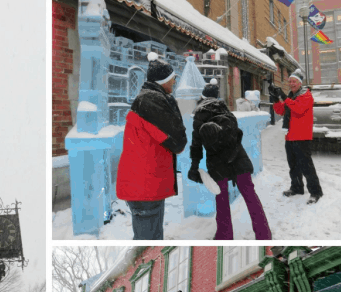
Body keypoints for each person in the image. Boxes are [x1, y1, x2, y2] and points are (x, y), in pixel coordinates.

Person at [188, 79, 271, 240]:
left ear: (202, 96)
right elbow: (237, 134)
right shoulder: (225, 110)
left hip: (217, 162)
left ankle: (224, 236)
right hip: (238, 157)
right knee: (251, 197)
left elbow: (196, 144)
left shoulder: (200, 113)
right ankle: (264, 234)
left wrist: (194, 166)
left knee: (222, 199)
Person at [116, 51, 187, 239]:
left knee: (148, 238)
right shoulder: (152, 101)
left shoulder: (148, 99)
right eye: (172, 78)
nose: (174, 82)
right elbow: (178, 141)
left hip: (145, 187)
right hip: (145, 188)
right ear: (162, 80)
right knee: (149, 241)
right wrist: (172, 104)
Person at [270, 70, 323, 204]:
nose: (292, 84)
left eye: (294, 81)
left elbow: (298, 109)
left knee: (306, 166)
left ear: (300, 83)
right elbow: (281, 110)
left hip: (301, 136)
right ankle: (297, 187)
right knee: (293, 165)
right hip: (290, 136)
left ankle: (316, 192)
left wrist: (284, 97)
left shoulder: (306, 95)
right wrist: (276, 98)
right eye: (290, 81)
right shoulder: (291, 97)